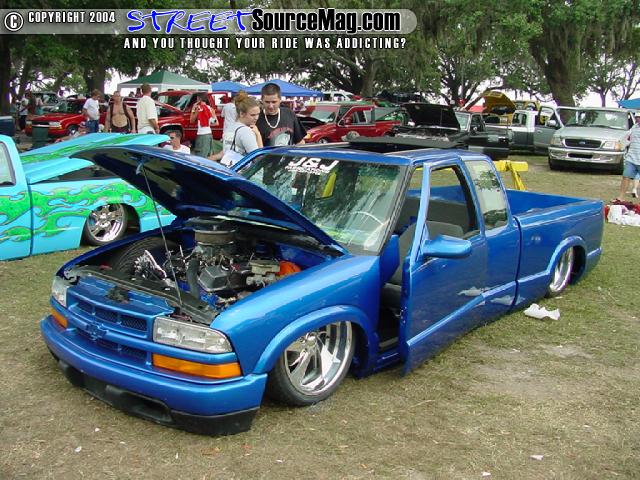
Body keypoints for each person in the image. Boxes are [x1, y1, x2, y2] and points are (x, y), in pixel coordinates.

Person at [210, 91, 262, 167]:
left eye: (258, 114)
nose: (256, 118)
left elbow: (225, 152)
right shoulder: (246, 131)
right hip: (243, 171)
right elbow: (258, 158)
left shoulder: (230, 128)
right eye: (252, 115)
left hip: (229, 169)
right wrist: (258, 134)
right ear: (241, 113)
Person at [617, 112, 640, 201]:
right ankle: (621, 198)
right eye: (637, 117)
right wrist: (620, 145)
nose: (638, 119)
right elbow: (626, 138)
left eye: (639, 117)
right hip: (631, 158)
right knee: (625, 177)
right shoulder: (634, 127)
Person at [189, 92, 218, 157]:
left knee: (201, 155)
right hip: (209, 134)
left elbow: (191, 120)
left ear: (199, 99)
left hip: (201, 135)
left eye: (197, 99)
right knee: (208, 155)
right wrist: (207, 123)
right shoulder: (211, 109)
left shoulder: (198, 108)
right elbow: (216, 123)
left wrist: (193, 109)